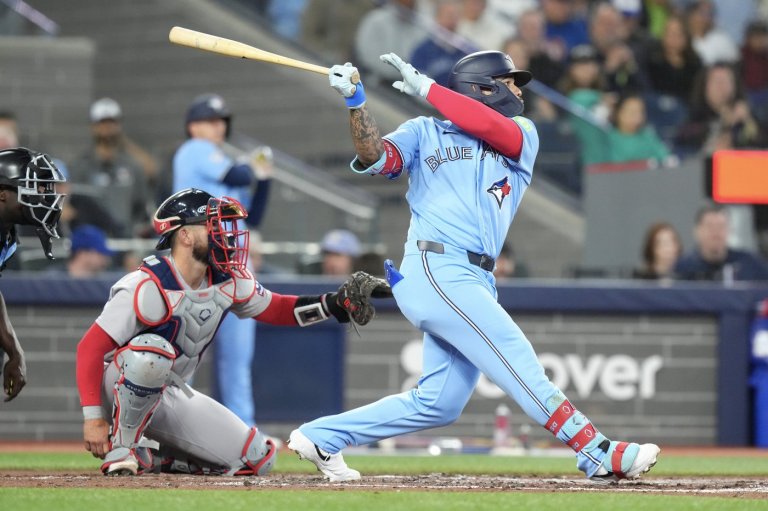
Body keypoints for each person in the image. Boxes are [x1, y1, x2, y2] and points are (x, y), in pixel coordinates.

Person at [288, 50, 660, 483]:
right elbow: (375, 157)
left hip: (477, 276)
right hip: (436, 265)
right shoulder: (423, 132)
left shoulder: (522, 132)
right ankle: (595, 450)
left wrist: (428, 89)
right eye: (509, 81)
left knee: (439, 402)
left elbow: (483, 124)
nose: (518, 90)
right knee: (515, 355)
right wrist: (356, 101)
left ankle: (322, 436)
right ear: (483, 87)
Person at [75, 188, 390, 476]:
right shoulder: (144, 285)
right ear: (184, 236)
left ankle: (154, 456)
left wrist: (335, 304)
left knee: (257, 457)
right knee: (152, 352)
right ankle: (123, 449)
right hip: (117, 387)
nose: (223, 234)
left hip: (167, 392)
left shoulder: (227, 279)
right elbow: (89, 349)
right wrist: (93, 418)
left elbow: (278, 309)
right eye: (213, 225)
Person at [173, 94, 274, 427]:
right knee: (185, 355)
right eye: (211, 121)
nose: (218, 127)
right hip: (200, 262)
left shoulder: (216, 167)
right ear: (194, 125)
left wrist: (265, 179)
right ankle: (169, 427)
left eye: (221, 122)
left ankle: (243, 432)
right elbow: (239, 175)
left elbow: (253, 215)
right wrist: (253, 165)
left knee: (235, 361)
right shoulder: (194, 149)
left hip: (232, 264)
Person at [0, 148, 66, 401]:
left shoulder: (6, 233)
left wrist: (15, 352)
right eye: (30, 188)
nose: (42, 197)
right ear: (2, 193)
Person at [70, 98, 157, 237]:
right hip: (94, 243)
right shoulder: (82, 165)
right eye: (102, 123)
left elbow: (142, 203)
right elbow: (74, 203)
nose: (107, 127)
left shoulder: (132, 165)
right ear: (93, 126)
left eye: (111, 122)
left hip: (125, 240)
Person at [674, 204, 768, 282]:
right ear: (697, 231)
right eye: (710, 226)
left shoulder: (749, 263)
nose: (716, 232)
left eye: (721, 226)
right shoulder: (684, 267)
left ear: (730, 230)